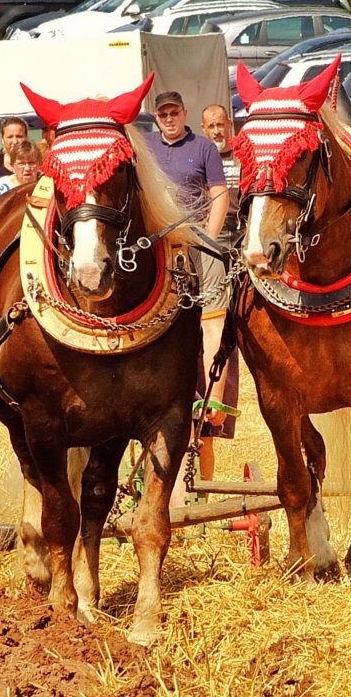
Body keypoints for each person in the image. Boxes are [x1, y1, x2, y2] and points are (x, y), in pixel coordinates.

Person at [146, 91, 229, 504]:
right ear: (156, 117)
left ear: (184, 114)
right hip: (157, 246)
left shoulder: (204, 148)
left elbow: (219, 195)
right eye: (162, 113)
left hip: (196, 241)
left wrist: (208, 241)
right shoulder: (145, 145)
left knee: (214, 318)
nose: (169, 118)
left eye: (174, 112)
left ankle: (213, 396)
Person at [193, 103, 244, 493]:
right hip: (204, 253)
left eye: (220, 124)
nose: (215, 131)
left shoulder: (242, 157)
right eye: (209, 126)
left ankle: (215, 402)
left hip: (239, 252)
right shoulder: (198, 158)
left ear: (230, 126)